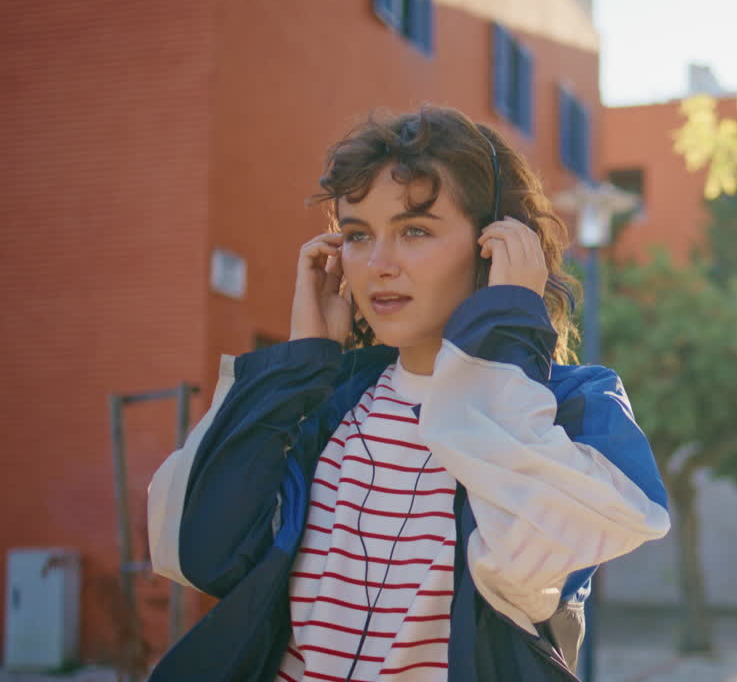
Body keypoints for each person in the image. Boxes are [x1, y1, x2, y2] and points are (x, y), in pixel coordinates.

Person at [145, 105, 671, 681]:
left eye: (414, 230)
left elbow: (526, 567)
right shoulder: (328, 403)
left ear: (495, 244)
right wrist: (296, 367)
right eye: (356, 235)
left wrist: (504, 333)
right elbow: (202, 553)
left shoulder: (574, 408)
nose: (378, 265)